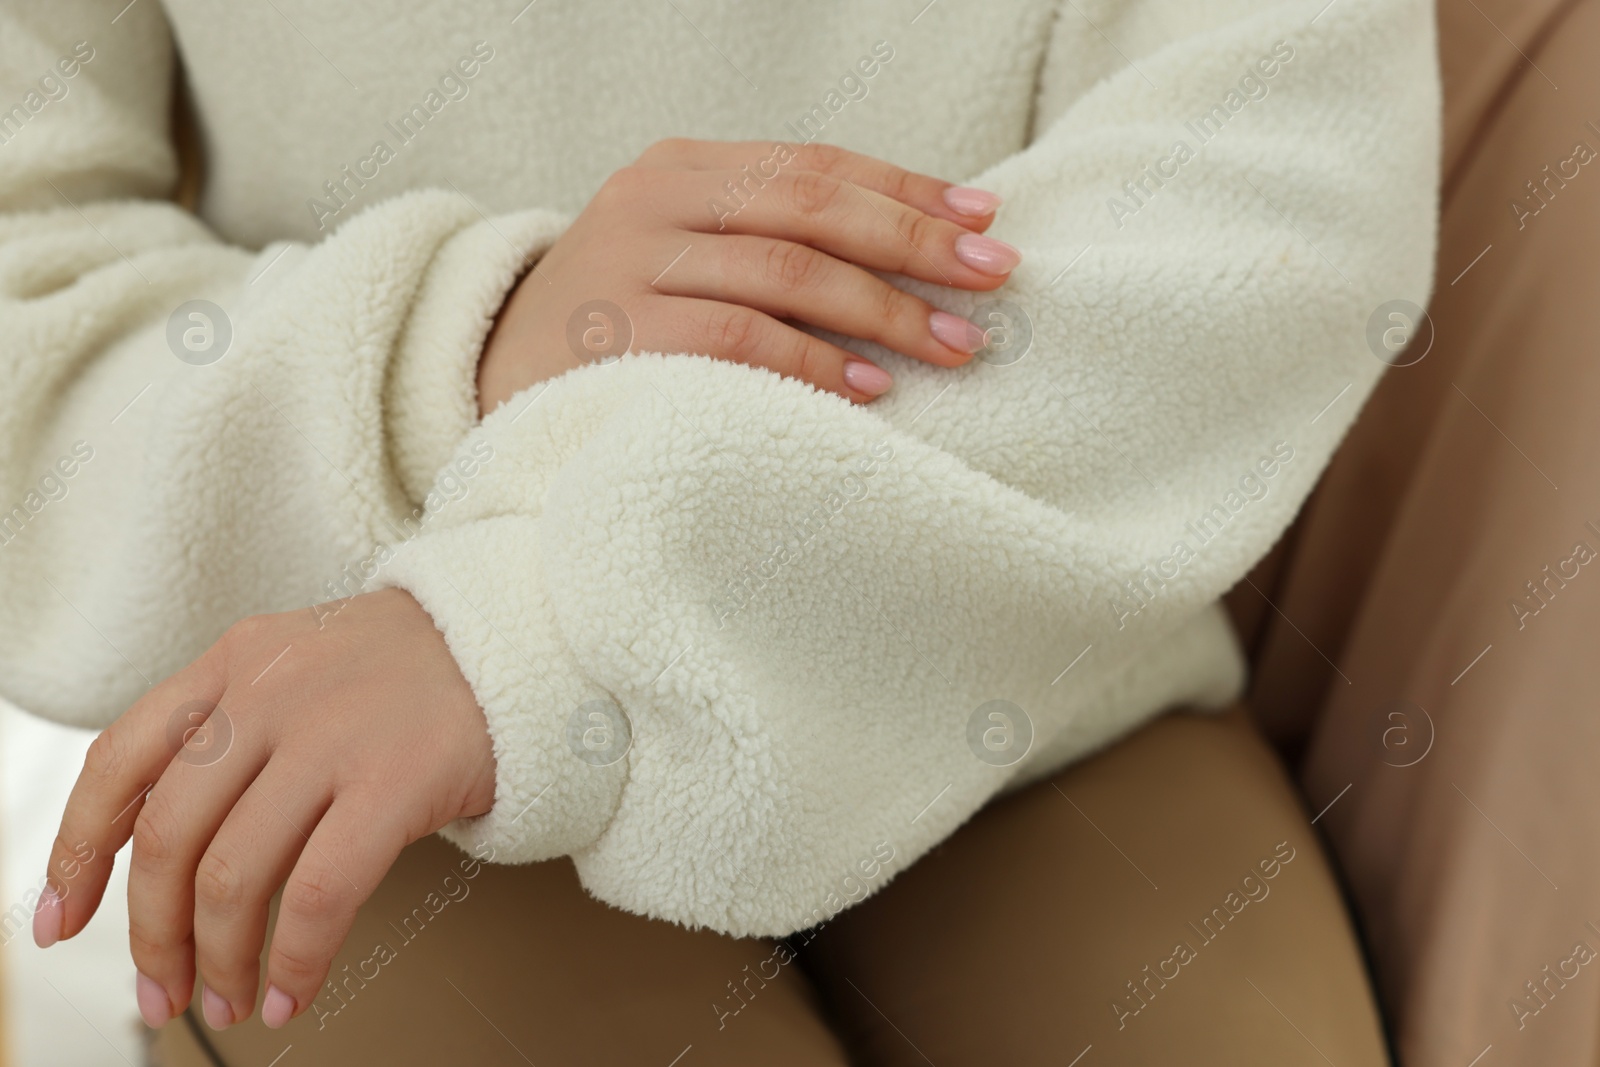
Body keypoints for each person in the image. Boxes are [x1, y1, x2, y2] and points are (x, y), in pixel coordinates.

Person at [0, 0, 1444, 1063]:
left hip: (1041, 686)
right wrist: (462, 352)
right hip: (370, 766)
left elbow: (1268, 198)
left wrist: (535, 620)